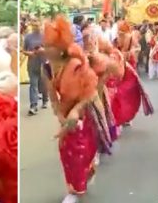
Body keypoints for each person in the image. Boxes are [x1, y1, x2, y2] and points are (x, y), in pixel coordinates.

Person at [42, 16, 107, 203]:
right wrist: (60, 114)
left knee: (82, 149)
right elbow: (53, 97)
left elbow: (90, 92)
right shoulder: (46, 68)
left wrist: (76, 111)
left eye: (49, 46)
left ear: (61, 49)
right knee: (66, 151)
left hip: (85, 111)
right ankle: (74, 188)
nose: (45, 50)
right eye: (45, 45)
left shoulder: (77, 65)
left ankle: (82, 179)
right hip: (65, 112)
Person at [24, 20, 48, 115]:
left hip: (43, 64)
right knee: (33, 85)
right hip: (32, 64)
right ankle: (33, 106)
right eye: (34, 25)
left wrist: (43, 50)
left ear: (41, 25)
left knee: (43, 84)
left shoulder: (46, 37)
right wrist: (28, 53)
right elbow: (24, 50)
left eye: (38, 25)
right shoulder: (28, 37)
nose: (36, 27)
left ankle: (45, 99)